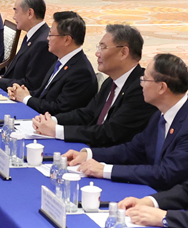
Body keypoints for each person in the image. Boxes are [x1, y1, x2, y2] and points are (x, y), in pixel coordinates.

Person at [61, 54, 188, 191]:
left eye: (145, 79)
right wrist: (89, 155)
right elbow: (132, 150)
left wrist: (105, 170)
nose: (141, 85)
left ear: (162, 87)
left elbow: (165, 173)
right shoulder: (159, 116)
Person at [32, 23, 156, 146]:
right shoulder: (110, 82)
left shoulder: (141, 89)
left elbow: (110, 133)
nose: (97, 53)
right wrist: (52, 120)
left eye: (103, 47)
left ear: (123, 52)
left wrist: (57, 130)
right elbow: (87, 114)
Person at [7, 11, 97, 115]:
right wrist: (20, 92)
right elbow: (43, 93)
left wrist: (26, 98)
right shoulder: (60, 61)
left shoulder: (81, 72)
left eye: (51, 34)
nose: (47, 38)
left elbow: (59, 108)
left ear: (67, 40)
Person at [0, 0, 56, 91]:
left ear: (30, 13)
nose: (13, 16)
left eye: (16, 11)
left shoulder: (43, 43)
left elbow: (32, 84)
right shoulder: (32, 35)